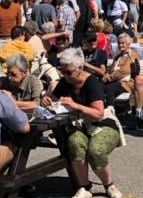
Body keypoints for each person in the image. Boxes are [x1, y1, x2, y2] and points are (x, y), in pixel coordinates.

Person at [45, 48, 124, 198]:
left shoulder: (91, 83)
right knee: (74, 142)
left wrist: (75, 106)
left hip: (103, 124)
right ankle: (84, 186)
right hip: (81, 125)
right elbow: (52, 100)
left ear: (80, 69)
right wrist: (47, 99)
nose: (65, 75)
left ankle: (109, 185)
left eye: (69, 72)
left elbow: (98, 113)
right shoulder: (65, 81)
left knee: (96, 149)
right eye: (63, 71)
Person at [100, 32, 139, 106]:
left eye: (123, 43)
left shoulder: (131, 55)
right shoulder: (118, 57)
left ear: (128, 44)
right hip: (115, 82)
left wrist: (109, 78)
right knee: (99, 86)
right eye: (119, 43)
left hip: (126, 84)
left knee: (110, 89)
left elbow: (124, 71)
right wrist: (106, 75)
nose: (120, 45)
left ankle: (111, 111)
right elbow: (111, 70)